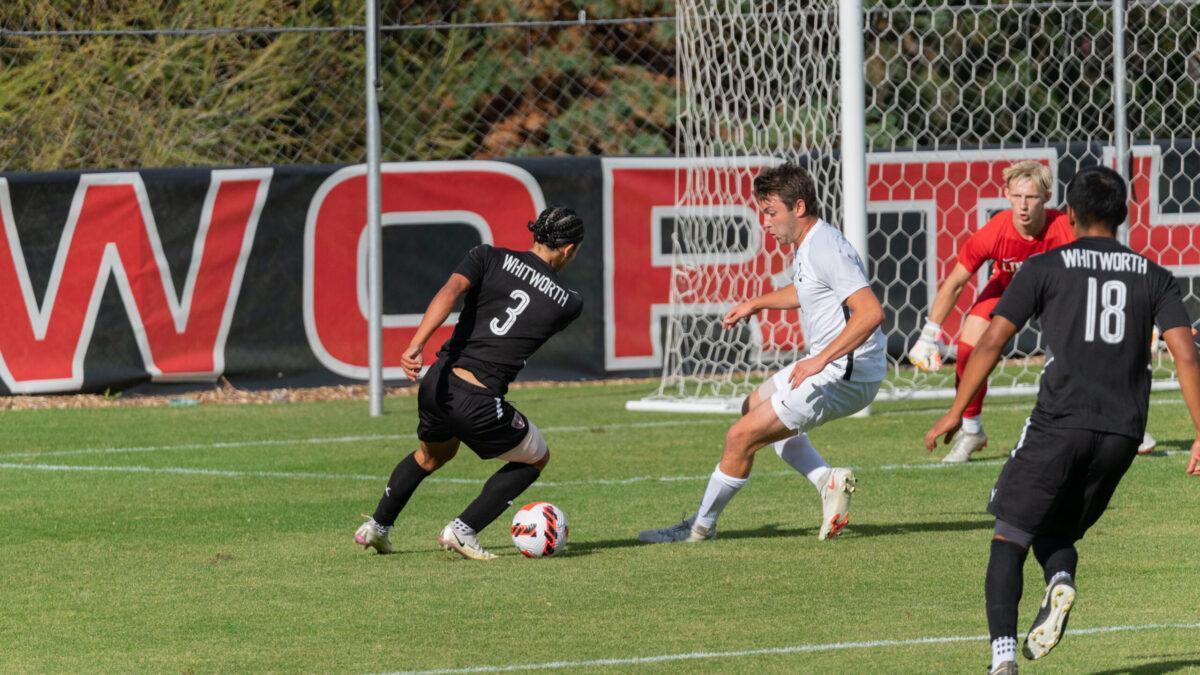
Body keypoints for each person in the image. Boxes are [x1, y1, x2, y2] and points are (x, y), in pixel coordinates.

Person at [923, 166, 1200, 674]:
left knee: (1009, 529)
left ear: (1068, 215)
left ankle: (1002, 660)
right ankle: (1060, 580)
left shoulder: (1045, 267)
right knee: (1053, 528)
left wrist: (955, 412)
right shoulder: (1155, 275)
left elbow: (990, 340)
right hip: (1123, 433)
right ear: (1123, 214)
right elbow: (1185, 354)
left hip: (1060, 420)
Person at [639, 162, 887, 544]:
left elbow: (870, 312)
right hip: (835, 366)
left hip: (844, 374)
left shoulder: (825, 247)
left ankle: (699, 529)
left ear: (799, 207)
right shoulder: (810, 243)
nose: (766, 223)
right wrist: (757, 303)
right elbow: (806, 292)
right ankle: (827, 480)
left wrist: (820, 360)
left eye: (772, 212)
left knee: (740, 437)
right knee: (752, 408)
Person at [354, 206, 585, 561]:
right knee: (536, 457)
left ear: (534, 233)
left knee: (431, 456)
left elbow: (450, 291)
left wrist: (416, 344)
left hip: (437, 381)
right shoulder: (569, 303)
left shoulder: (487, 255)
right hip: (477, 397)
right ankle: (463, 530)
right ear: (569, 250)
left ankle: (378, 526)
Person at [909, 161, 1075, 462]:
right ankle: (972, 430)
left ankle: (1115, 420)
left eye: (1032, 197)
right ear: (1007, 195)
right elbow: (955, 283)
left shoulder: (1064, 227)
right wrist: (929, 335)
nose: (1023, 205)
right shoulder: (994, 232)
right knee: (967, 348)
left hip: (1056, 295)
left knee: (1083, 353)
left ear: (1047, 197)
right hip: (1009, 291)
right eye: (1017, 196)